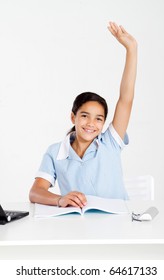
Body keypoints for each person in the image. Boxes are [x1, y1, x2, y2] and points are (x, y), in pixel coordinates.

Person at [29, 22, 137, 208]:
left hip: (118, 224)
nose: (91, 123)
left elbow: (125, 99)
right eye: (85, 116)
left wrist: (132, 49)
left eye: (99, 119)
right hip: (78, 226)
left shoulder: (110, 142)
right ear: (74, 117)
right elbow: (35, 192)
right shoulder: (55, 152)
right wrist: (59, 199)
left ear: (103, 124)